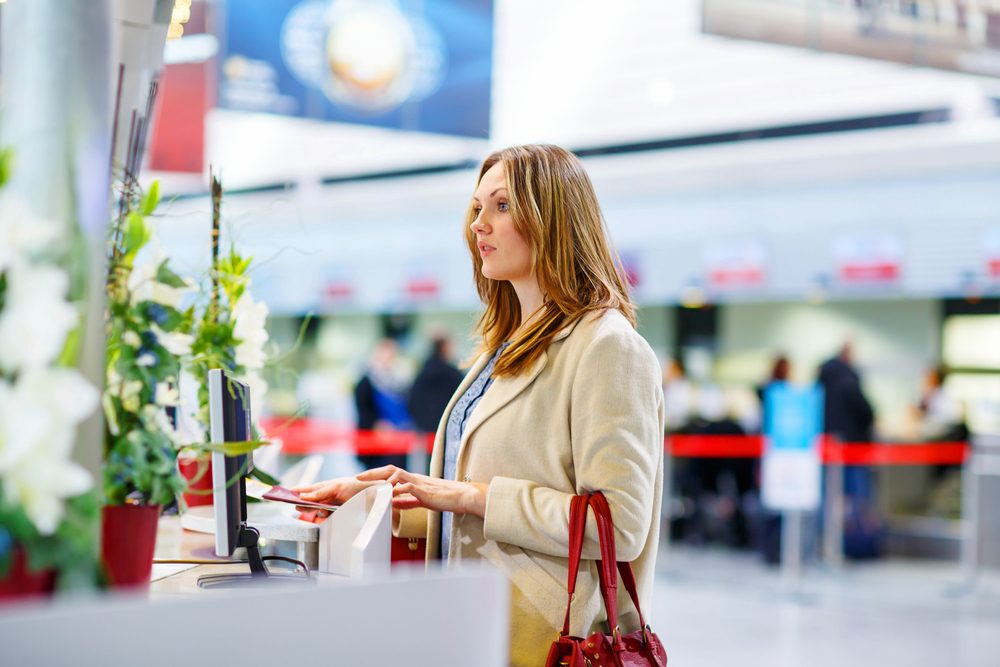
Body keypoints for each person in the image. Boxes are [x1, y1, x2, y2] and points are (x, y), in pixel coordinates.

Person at [294, 145, 664, 665]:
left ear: (553, 216)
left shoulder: (606, 346)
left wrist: (470, 497)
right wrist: (384, 495)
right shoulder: (506, 344)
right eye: (475, 209)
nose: (479, 225)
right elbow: (475, 490)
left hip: (548, 639)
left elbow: (619, 525)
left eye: (502, 206)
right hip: (470, 619)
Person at [817, 342, 882, 559]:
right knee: (857, 500)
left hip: (827, 449)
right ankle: (856, 546)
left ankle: (827, 543)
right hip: (853, 449)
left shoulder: (821, 380)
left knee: (828, 500)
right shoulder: (849, 379)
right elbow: (868, 412)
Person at [353, 337, 412, 469]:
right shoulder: (366, 381)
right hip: (376, 445)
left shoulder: (400, 379)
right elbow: (363, 410)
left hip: (398, 441)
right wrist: (377, 425)